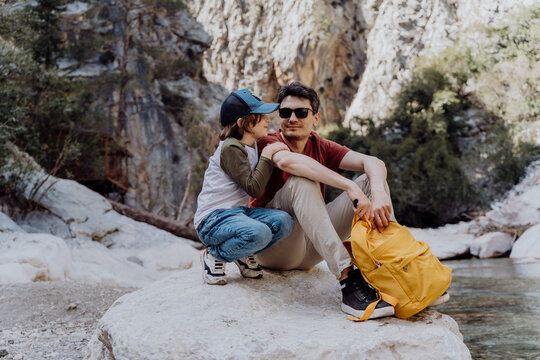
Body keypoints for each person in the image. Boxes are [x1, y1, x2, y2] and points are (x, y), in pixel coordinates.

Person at [250, 82, 396, 319]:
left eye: (301, 112)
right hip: (275, 249)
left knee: (370, 181)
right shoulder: (268, 142)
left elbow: (373, 162)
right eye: (285, 113)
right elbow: (289, 163)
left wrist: (377, 192)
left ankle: (394, 266)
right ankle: (347, 279)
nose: (292, 118)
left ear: (315, 118)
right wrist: (348, 186)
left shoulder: (320, 145)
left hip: (311, 249)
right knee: (302, 180)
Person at [194, 89, 294, 285]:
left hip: (239, 214)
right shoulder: (231, 147)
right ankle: (215, 255)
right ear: (243, 123)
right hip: (213, 220)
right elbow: (253, 189)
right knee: (260, 233)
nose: (267, 120)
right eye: (260, 116)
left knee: (284, 222)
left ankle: (242, 253)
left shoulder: (252, 143)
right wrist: (268, 155)